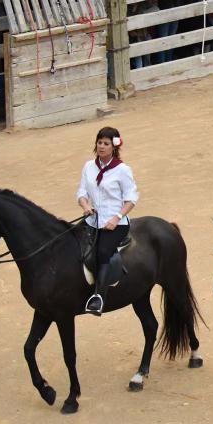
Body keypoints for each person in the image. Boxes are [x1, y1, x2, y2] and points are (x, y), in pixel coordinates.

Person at [77, 127, 139, 316]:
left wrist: (116, 218)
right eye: (99, 142)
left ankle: (98, 297)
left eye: (106, 143)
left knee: (103, 251)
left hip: (115, 224)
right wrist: (85, 205)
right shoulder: (88, 166)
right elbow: (81, 192)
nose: (102, 146)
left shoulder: (122, 170)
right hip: (92, 221)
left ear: (114, 147)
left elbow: (131, 199)